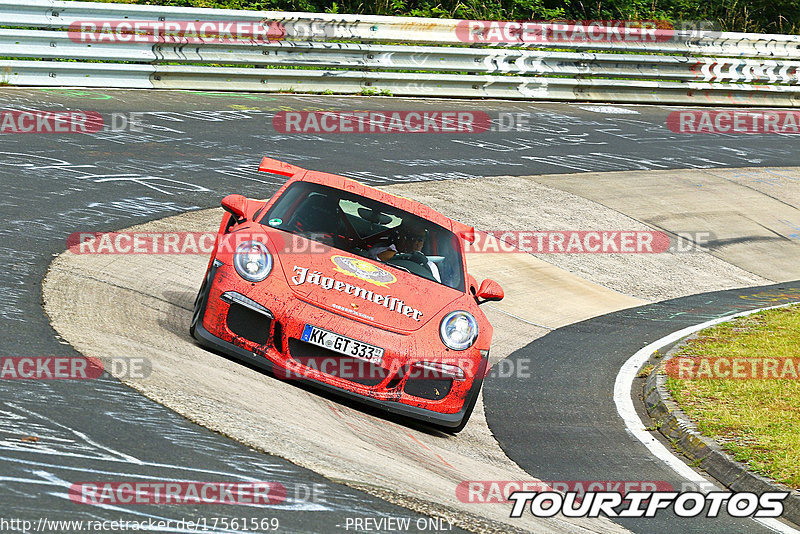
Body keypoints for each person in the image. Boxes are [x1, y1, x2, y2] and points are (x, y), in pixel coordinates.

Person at [369, 221, 441, 282]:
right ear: (401, 236)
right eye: (411, 237)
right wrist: (405, 256)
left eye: (420, 239)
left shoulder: (430, 265)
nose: (416, 242)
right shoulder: (381, 250)